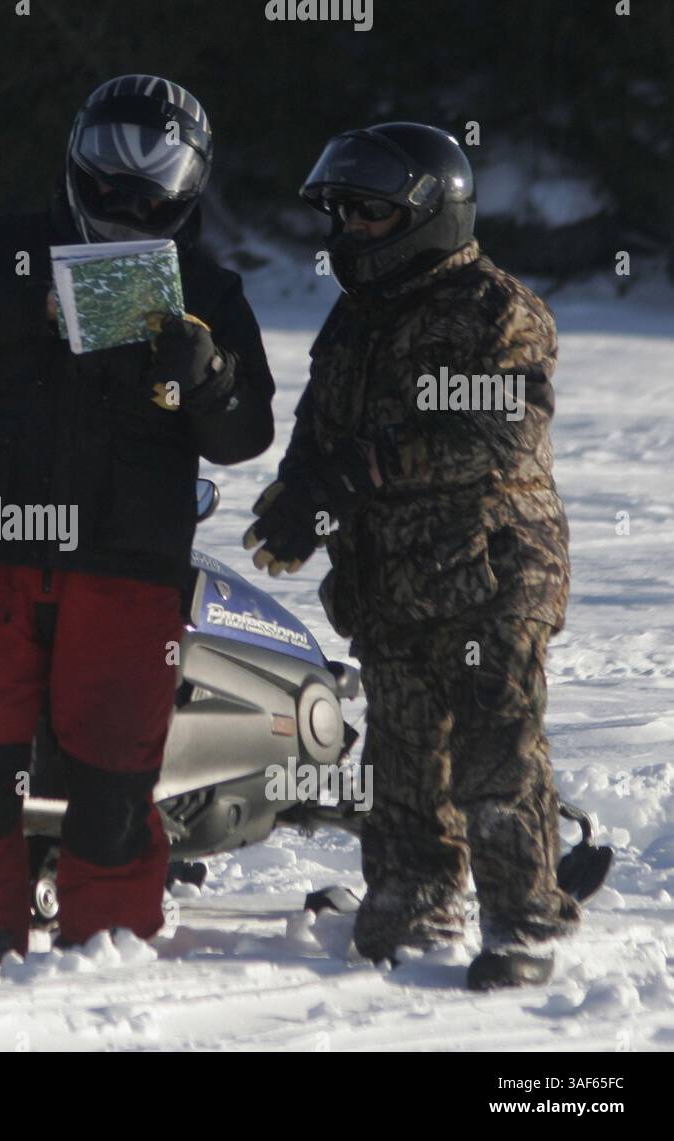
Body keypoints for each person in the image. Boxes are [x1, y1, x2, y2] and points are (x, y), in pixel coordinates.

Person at [0, 74, 275, 960]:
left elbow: (245, 432)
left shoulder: (208, 291)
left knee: (114, 775)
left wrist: (208, 372)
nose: (124, 192)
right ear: (76, 156)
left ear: (189, 185)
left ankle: (108, 949)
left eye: (152, 176)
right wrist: (34, 304)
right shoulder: (9, 243)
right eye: (109, 167)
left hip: (126, 565)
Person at [244, 122, 580, 989]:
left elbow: (494, 432)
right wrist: (297, 503)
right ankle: (415, 901)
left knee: (494, 746)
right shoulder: (356, 317)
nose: (351, 229)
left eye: (370, 213)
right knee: (400, 753)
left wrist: (356, 473)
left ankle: (523, 919)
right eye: (343, 213)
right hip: (388, 578)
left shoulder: (495, 309)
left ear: (430, 213)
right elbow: (320, 433)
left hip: (490, 571)